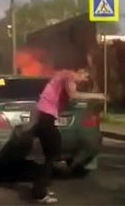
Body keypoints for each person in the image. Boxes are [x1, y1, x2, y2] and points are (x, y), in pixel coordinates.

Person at [31, 68, 105, 204]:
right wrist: (97, 96)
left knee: (52, 153)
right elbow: (74, 95)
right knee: (51, 155)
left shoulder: (63, 76)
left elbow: (66, 98)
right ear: (80, 72)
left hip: (45, 119)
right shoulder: (69, 75)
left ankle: (41, 188)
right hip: (46, 119)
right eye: (85, 76)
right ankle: (39, 193)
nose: (84, 80)